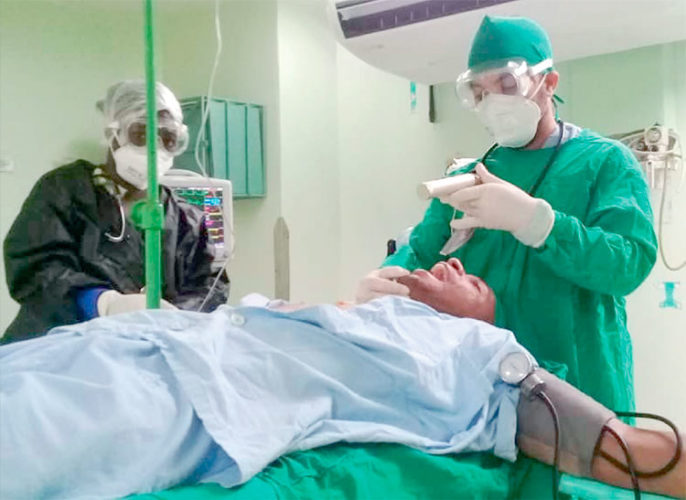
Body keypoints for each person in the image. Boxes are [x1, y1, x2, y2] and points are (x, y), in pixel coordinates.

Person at [1, 261, 683, 499]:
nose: (452, 265)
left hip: (177, 399)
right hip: (118, 347)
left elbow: (637, 453)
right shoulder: (342, 314)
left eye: (475, 282)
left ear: (485, 318)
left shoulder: (476, 351)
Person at [356, 15, 657, 417]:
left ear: (549, 83)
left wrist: (538, 223)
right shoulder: (465, 179)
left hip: (580, 388)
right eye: (479, 92)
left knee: (584, 456)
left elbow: (628, 265)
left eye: (507, 84)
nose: (492, 101)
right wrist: (386, 280)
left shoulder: (605, 162)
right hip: (483, 392)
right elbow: (422, 253)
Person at [2, 80, 229, 343]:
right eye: (141, 135)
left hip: (150, 346)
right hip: (60, 346)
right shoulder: (65, 190)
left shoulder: (186, 218)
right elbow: (36, 269)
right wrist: (102, 303)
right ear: (113, 134)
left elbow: (210, 287)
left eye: (168, 139)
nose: (155, 148)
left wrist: (177, 316)